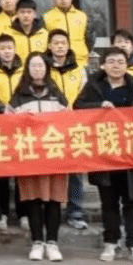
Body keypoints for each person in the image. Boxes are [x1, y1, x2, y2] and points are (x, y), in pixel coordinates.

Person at [74, 48, 133, 265]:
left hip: (131, 156)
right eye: (111, 61)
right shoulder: (94, 86)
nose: (116, 65)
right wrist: (98, 106)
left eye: (120, 61)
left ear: (127, 65)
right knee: (108, 203)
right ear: (103, 65)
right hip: (104, 155)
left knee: (132, 203)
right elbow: (77, 108)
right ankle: (111, 242)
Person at [7, 52, 69, 263]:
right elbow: (8, 124)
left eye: (41, 65)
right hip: (30, 156)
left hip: (54, 155)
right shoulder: (18, 96)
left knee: (53, 200)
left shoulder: (57, 94)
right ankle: (37, 242)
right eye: (33, 65)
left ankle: (52, 242)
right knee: (33, 200)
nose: (37, 69)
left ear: (47, 68)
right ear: (27, 69)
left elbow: (68, 121)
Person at [45, 29, 88, 231]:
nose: (60, 46)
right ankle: (49, 211)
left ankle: (75, 211)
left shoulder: (79, 70)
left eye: (63, 43)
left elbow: (85, 95)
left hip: (73, 124)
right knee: (50, 168)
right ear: (49, 46)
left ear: (69, 45)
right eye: (56, 43)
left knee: (75, 169)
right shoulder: (44, 69)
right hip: (49, 125)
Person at [0, 34, 23, 233]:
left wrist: (17, 108)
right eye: (3, 48)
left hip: (21, 126)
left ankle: (23, 213)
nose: (7, 51)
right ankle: (1, 214)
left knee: (21, 172)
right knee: (1, 172)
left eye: (9, 48)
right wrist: (3, 108)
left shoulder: (24, 71)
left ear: (15, 49)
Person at [43, 0, 91, 78]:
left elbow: (89, 39)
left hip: (81, 62)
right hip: (57, 65)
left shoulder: (82, 16)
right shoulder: (46, 17)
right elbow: (44, 42)